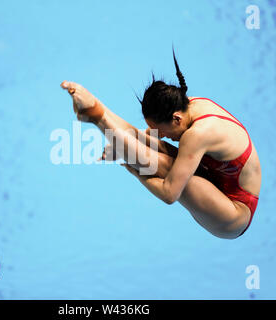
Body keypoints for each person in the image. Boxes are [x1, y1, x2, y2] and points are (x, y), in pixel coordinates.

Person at [60, 50, 261, 239]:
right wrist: (130, 146)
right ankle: (97, 110)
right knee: (155, 146)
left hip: (234, 215)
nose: (160, 135)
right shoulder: (188, 105)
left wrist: (133, 169)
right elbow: (145, 136)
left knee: (169, 166)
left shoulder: (198, 134)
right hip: (215, 179)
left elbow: (169, 194)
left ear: (176, 119)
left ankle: (98, 118)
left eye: (162, 130)